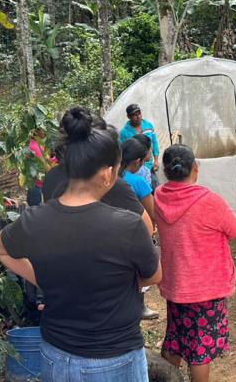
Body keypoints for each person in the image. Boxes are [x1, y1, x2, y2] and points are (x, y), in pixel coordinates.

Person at [0, 106, 162, 380]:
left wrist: (41, 278)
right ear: (107, 175)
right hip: (116, 358)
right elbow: (154, 275)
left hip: (57, 355)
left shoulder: (35, 218)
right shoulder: (128, 227)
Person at [41, 113, 159, 320]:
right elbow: (146, 228)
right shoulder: (108, 184)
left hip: (64, 285)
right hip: (106, 294)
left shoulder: (51, 177)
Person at [154, 144, 236, 382]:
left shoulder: (159, 197)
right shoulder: (210, 201)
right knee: (199, 352)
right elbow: (234, 229)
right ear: (195, 168)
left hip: (175, 284)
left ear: (165, 170)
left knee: (174, 340)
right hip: (205, 289)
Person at [120, 103, 160, 189]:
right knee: (139, 189)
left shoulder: (148, 126)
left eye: (139, 113)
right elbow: (123, 151)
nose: (138, 116)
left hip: (149, 166)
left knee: (155, 187)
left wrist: (156, 160)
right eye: (134, 115)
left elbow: (154, 142)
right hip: (135, 168)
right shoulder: (124, 132)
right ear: (128, 116)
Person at [121, 138, 156, 223]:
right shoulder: (138, 181)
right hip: (136, 226)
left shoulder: (110, 176)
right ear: (137, 162)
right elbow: (154, 213)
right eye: (143, 161)